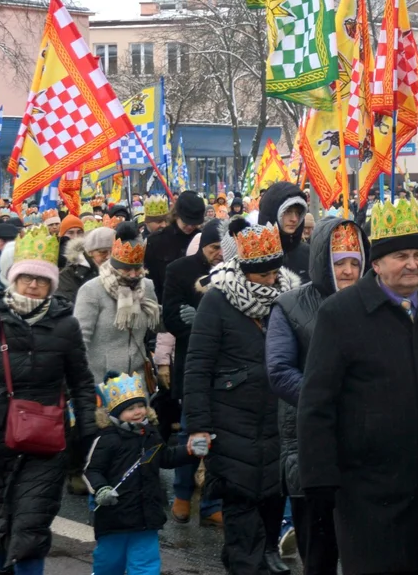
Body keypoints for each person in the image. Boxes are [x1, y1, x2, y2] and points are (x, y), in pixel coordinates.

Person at [299, 199, 418, 574]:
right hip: (367, 485)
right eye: (400, 256)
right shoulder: (341, 314)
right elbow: (317, 402)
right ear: (375, 264)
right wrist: (319, 478)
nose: (412, 264)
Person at [0, 226, 98, 575]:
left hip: (45, 442)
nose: (33, 285)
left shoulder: (66, 326)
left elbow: (81, 382)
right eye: (26, 278)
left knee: (30, 528)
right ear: (13, 279)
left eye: (41, 280)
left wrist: (88, 430)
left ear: (51, 285)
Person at [185, 223, 301, 574]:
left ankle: (258, 556)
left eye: (273, 273)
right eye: (261, 275)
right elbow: (198, 366)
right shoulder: (217, 301)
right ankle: (247, 562)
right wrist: (199, 426)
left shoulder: (290, 299)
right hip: (231, 422)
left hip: (277, 420)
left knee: (270, 500)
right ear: (244, 271)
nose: (269, 281)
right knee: (241, 504)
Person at [266, 217, 366, 572]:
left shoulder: (373, 302)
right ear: (323, 262)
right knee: (320, 554)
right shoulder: (290, 306)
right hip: (311, 444)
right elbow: (279, 372)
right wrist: (326, 402)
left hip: (366, 447)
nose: (350, 270)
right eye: (341, 263)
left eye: (356, 261)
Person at [85, 371, 199, 575]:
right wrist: (101, 489)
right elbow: (92, 471)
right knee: (109, 563)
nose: (138, 412)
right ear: (115, 412)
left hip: (147, 515)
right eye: (130, 408)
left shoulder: (151, 434)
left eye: (140, 406)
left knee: (146, 564)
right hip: (114, 515)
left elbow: (166, 457)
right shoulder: (106, 439)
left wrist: (190, 451)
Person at [162, 219, 228, 527]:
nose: (218, 254)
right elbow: (171, 316)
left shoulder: (232, 271)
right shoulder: (179, 269)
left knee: (219, 435)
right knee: (191, 432)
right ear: (203, 246)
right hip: (192, 363)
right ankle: (182, 494)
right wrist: (195, 324)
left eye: (221, 248)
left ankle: (212, 503)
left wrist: (202, 318)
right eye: (213, 248)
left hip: (225, 366)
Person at [74, 222, 160, 384]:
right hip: (102, 381)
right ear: (114, 267)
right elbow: (79, 341)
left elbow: (156, 325)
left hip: (137, 380)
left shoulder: (145, 286)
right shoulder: (92, 290)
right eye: (126, 270)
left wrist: (174, 314)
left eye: (137, 269)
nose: (133, 275)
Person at [145, 190, 205, 301]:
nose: (190, 227)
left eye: (194, 223)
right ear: (177, 215)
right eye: (186, 222)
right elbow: (149, 280)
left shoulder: (203, 239)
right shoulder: (156, 241)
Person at [258, 181, 311, 283]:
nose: (294, 219)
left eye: (298, 213)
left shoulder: (307, 253)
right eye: (288, 211)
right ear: (273, 212)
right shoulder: (254, 253)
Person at [55, 223, 100, 305]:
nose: (75, 236)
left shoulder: (91, 266)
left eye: (79, 232)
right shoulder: (68, 274)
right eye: (71, 233)